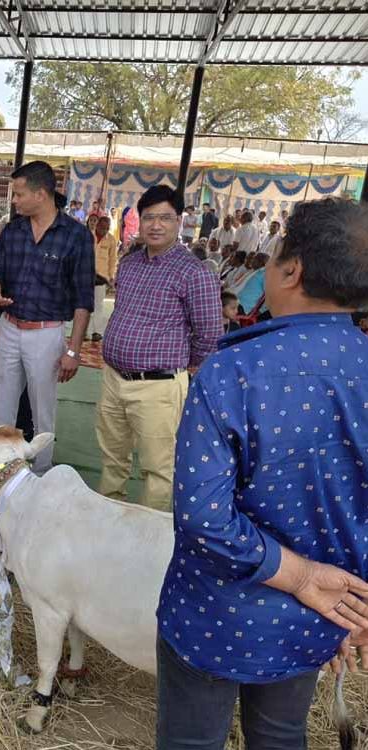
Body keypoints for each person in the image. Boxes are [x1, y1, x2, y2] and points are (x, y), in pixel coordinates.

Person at [155, 197, 368, 749]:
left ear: (291, 269)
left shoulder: (233, 369)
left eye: (274, 256)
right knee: (279, 735)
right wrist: (353, 605)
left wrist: (300, 576)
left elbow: (203, 519)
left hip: (216, 614)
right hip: (315, 616)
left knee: (191, 741)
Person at [97, 184, 221, 511]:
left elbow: (209, 334)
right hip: (114, 379)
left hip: (159, 386)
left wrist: (178, 367)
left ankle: (148, 537)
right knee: (112, 458)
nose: (156, 225)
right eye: (149, 217)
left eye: (165, 217)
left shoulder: (194, 272)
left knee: (158, 468)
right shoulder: (130, 264)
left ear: (179, 221)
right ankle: (109, 520)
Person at [0, 160, 94, 474]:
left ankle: (42, 472)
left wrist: (73, 350)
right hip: (10, 327)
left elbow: (83, 299)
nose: (14, 200)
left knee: (42, 409)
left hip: (47, 334)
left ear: (41, 194)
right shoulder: (13, 230)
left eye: (19, 194)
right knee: (3, 405)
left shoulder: (75, 236)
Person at [89, 214, 117, 342]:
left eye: (107, 228)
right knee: (84, 305)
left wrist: (111, 276)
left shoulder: (111, 240)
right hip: (86, 275)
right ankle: (85, 332)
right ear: (97, 225)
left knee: (98, 305)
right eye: (102, 227)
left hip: (102, 276)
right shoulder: (88, 236)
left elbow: (112, 259)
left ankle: (97, 332)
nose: (104, 230)